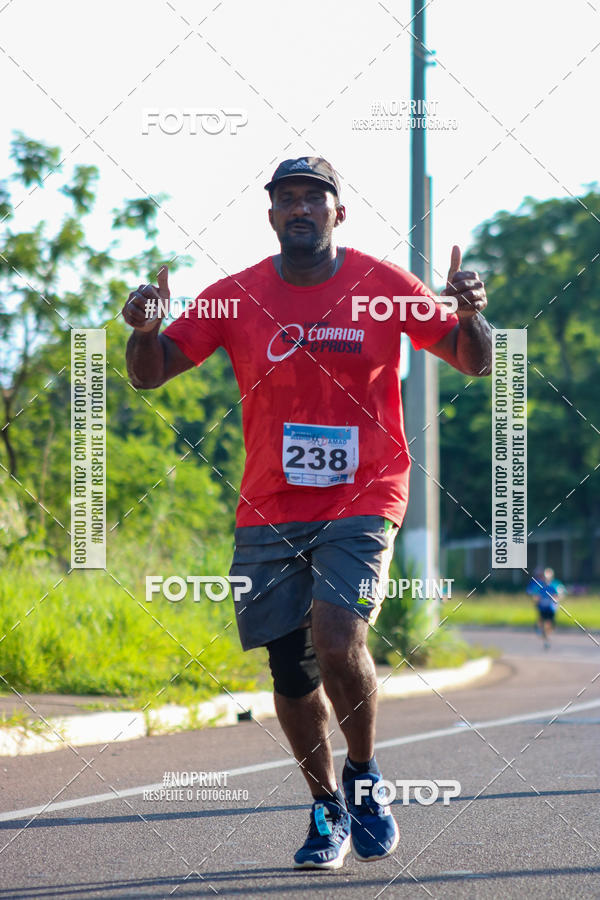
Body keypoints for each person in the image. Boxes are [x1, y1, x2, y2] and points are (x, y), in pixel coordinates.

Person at [122, 157, 492, 869]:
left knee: (336, 635)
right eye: (286, 199)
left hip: (366, 492)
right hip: (268, 506)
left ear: (337, 214)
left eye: (313, 199)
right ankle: (325, 805)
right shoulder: (236, 297)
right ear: (270, 216)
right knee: (289, 670)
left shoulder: (382, 287)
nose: (299, 208)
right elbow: (154, 371)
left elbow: (471, 360)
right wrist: (143, 329)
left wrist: (474, 316)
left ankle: (364, 774)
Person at [527, 567, 565, 649]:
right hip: (542, 606)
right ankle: (541, 631)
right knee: (542, 619)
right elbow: (534, 594)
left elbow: (561, 593)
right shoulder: (539, 584)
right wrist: (536, 599)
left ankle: (546, 637)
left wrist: (557, 598)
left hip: (551, 607)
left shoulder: (556, 584)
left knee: (549, 623)